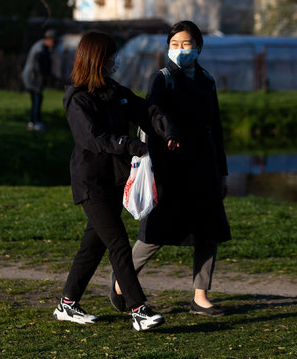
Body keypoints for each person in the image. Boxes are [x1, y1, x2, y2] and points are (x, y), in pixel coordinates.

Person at [55, 31, 179, 332]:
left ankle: (67, 305)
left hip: (113, 179)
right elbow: (94, 138)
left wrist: (169, 130)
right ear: (97, 59)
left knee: (92, 247)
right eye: (110, 56)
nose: (115, 60)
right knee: (118, 244)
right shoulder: (78, 99)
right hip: (90, 183)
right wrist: (129, 145)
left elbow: (144, 110)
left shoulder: (113, 91)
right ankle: (139, 310)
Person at [110, 20, 231, 317]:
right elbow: (150, 125)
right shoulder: (161, 80)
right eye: (174, 45)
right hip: (171, 166)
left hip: (204, 167)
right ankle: (120, 282)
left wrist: (222, 172)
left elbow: (215, 128)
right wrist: (158, 177)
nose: (181, 50)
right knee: (155, 233)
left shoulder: (207, 80)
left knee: (208, 232)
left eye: (187, 44)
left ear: (199, 47)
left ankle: (200, 297)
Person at [22, 29, 55, 131]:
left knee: (35, 100)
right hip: (33, 78)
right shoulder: (40, 49)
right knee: (37, 99)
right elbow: (38, 67)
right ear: (49, 39)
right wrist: (47, 75)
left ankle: (32, 122)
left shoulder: (43, 47)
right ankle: (36, 122)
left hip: (34, 77)